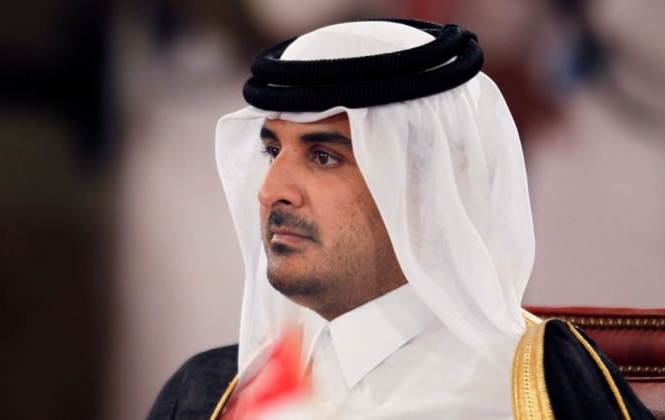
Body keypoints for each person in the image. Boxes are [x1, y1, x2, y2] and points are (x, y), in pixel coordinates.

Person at [147, 19, 654, 419]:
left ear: (426, 183)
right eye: (272, 151)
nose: (272, 191)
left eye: (324, 156)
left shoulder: (536, 389)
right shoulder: (207, 394)